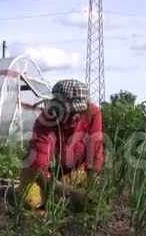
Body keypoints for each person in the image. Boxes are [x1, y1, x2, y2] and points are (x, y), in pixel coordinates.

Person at [19, 79, 104, 209]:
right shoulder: (45, 121)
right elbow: (39, 166)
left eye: (79, 111)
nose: (75, 116)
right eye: (70, 111)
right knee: (30, 201)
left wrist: (90, 190)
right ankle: (14, 190)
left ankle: (57, 196)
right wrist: (70, 192)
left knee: (87, 194)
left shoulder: (93, 113)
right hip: (44, 174)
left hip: (74, 171)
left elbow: (95, 151)